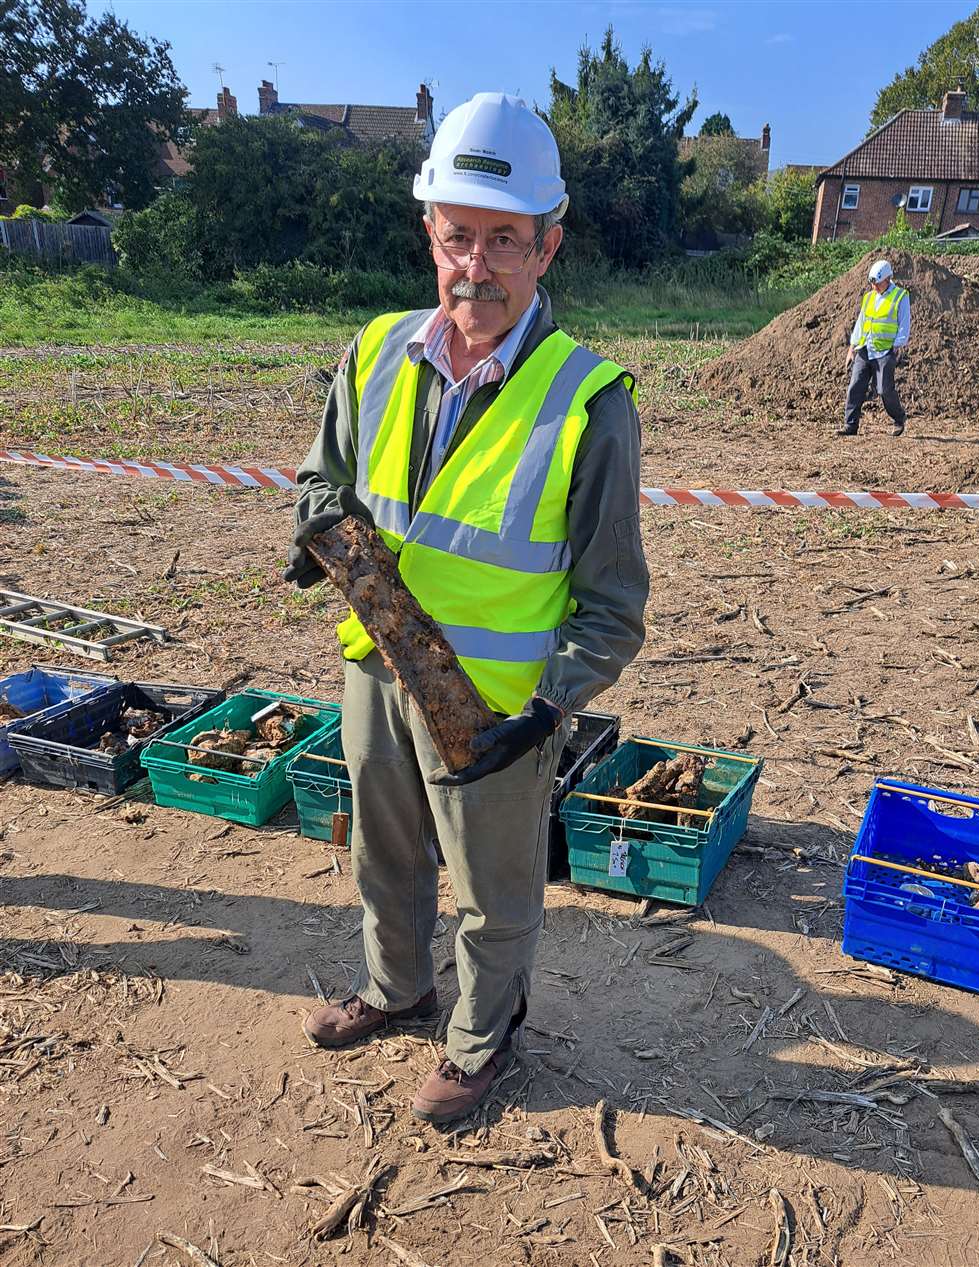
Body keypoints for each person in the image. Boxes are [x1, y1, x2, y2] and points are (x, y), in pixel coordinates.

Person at [283, 93, 648, 1124]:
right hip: (374, 667)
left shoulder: (591, 404)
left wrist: (548, 705)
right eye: (457, 237)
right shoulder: (377, 351)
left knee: (495, 889)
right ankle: (399, 988)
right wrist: (325, 541)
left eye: (504, 241)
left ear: (549, 246)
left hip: (493, 705)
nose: (475, 267)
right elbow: (323, 482)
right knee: (382, 850)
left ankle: (481, 1039)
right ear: (428, 232)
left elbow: (614, 604)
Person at [838, 258, 910, 437]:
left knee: (884, 390)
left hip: (885, 350)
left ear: (888, 279)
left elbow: (904, 323)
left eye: (878, 284)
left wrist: (897, 345)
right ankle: (850, 426)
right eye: (873, 284)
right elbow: (861, 322)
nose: (874, 287)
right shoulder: (869, 297)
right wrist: (852, 347)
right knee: (855, 386)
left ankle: (899, 418)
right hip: (865, 348)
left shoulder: (900, 296)